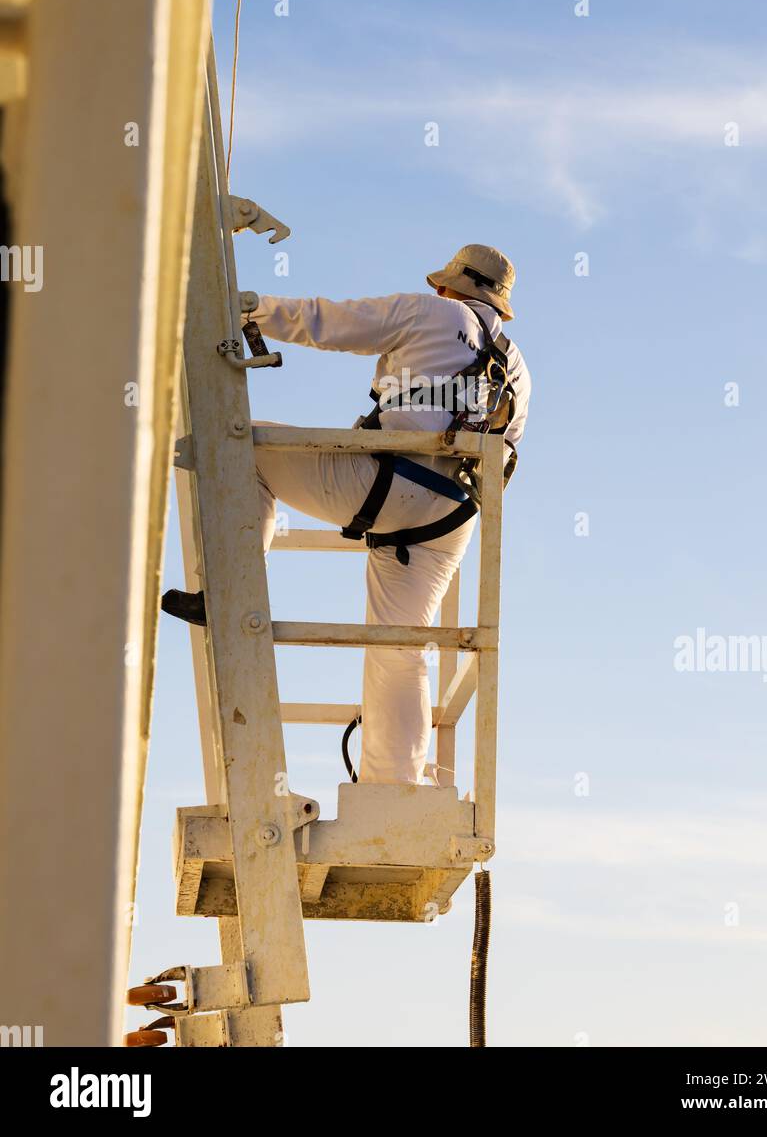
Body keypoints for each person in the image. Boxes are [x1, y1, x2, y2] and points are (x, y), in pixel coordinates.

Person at [162, 244, 530, 784]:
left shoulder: (433, 313)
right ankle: (396, 787)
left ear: (455, 287)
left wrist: (253, 309)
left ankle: (230, 591)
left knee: (239, 445)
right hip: (451, 519)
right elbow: (503, 459)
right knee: (399, 647)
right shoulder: (520, 371)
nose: (437, 290)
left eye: (443, 284)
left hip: (384, 484)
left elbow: (329, 322)